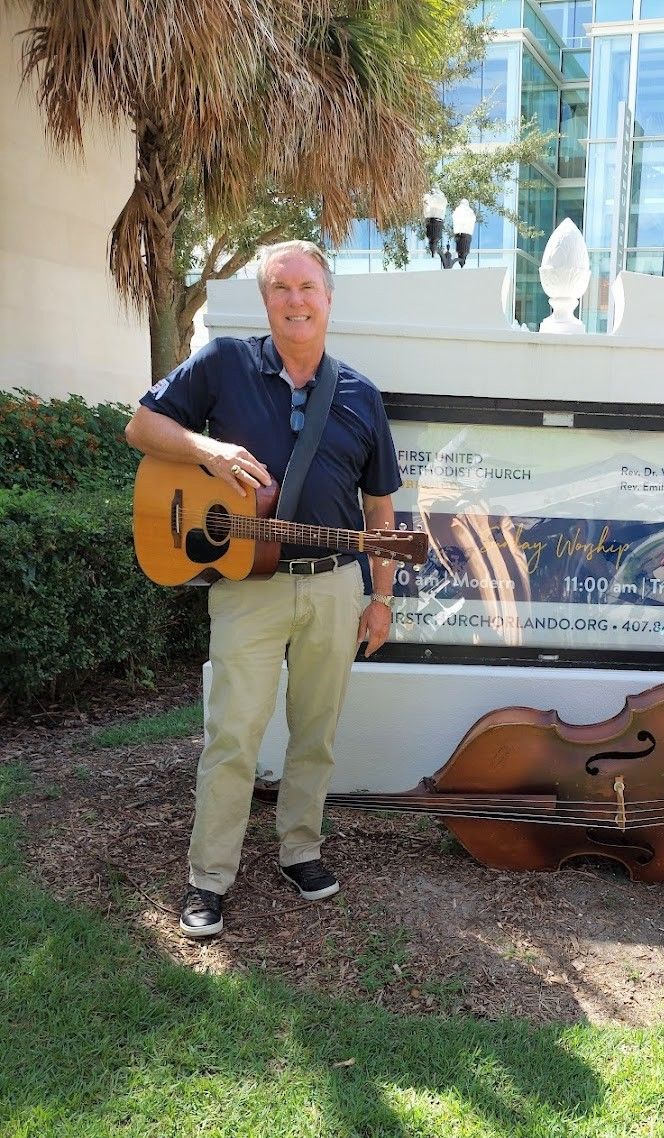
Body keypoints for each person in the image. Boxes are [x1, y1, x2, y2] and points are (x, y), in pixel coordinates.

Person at [125, 240, 402, 939]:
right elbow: (140, 425)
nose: (295, 300)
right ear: (266, 299)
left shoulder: (362, 395)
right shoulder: (224, 364)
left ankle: (300, 850)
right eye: (280, 288)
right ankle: (207, 878)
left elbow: (380, 514)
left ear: (329, 298)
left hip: (336, 588)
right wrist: (206, 449)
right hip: (247, 589)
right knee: (232, 736)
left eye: (307, 287)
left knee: (315, 732)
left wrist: (382, 597)